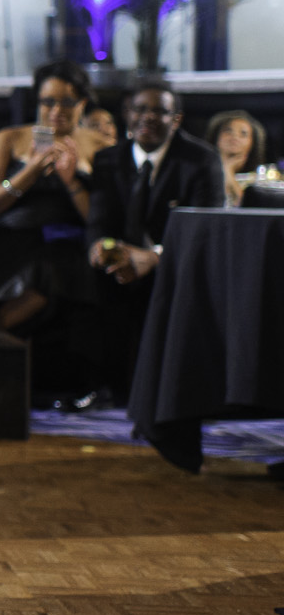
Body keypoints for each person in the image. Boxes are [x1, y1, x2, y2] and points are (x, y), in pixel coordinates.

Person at [89, 84, 226, 470]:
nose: (149, 117)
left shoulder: (201, 159)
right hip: (123, 262)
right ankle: (110, 393)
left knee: (169, 293)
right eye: (140, 110)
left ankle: (166, 414)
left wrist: (155, 258)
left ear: (175, 119)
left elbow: (207, 230)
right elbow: (98, 221)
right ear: (127, 117)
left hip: (182, 267)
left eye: (160, 111)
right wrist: (101, 246)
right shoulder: (107, 159)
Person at [0, 61, 109, 400]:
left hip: (68, 243)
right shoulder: (10, 138)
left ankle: (25, 371)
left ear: (82, 105)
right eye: (48, 102)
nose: (56, 111)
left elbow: (100, 218)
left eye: (67, 102)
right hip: (8, 238)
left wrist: (72, 179)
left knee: (53, 270)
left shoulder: (99, 146)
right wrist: (29, 171)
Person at [206, 109, 266, 206]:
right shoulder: (201, 173)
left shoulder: (260, 180)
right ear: (216, 137)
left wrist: (228, 171)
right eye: (228, 131)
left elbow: (246, 210)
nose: (235, 137)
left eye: (243, 134)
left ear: (253, 143)